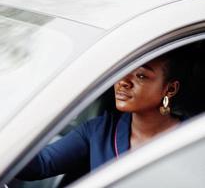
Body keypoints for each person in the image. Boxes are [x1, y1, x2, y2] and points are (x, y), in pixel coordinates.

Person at [15, 49, 193, 185]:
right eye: (123, 69)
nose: (123, 81)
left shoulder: (193, 141)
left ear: (170, 89)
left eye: (140, 76)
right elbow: (40, 165)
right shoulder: (99, 131)